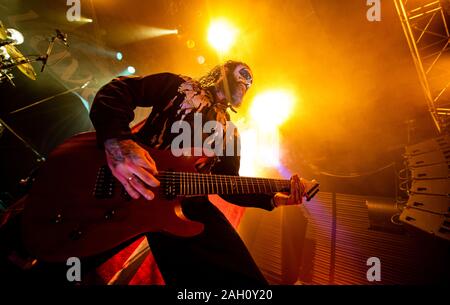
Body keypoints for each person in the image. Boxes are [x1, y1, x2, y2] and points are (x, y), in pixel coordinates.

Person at [89, 60, 305, 285]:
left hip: (186, 205)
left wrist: (274, 198)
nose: (247, 83)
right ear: (222, 72)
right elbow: (118, 90)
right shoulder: (180, 86)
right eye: (243, 74)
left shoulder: (230, 132)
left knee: (243, 281)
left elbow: (229, 184)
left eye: (251, 81)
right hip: (129, 181)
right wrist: (118, 141)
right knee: (65, 255)